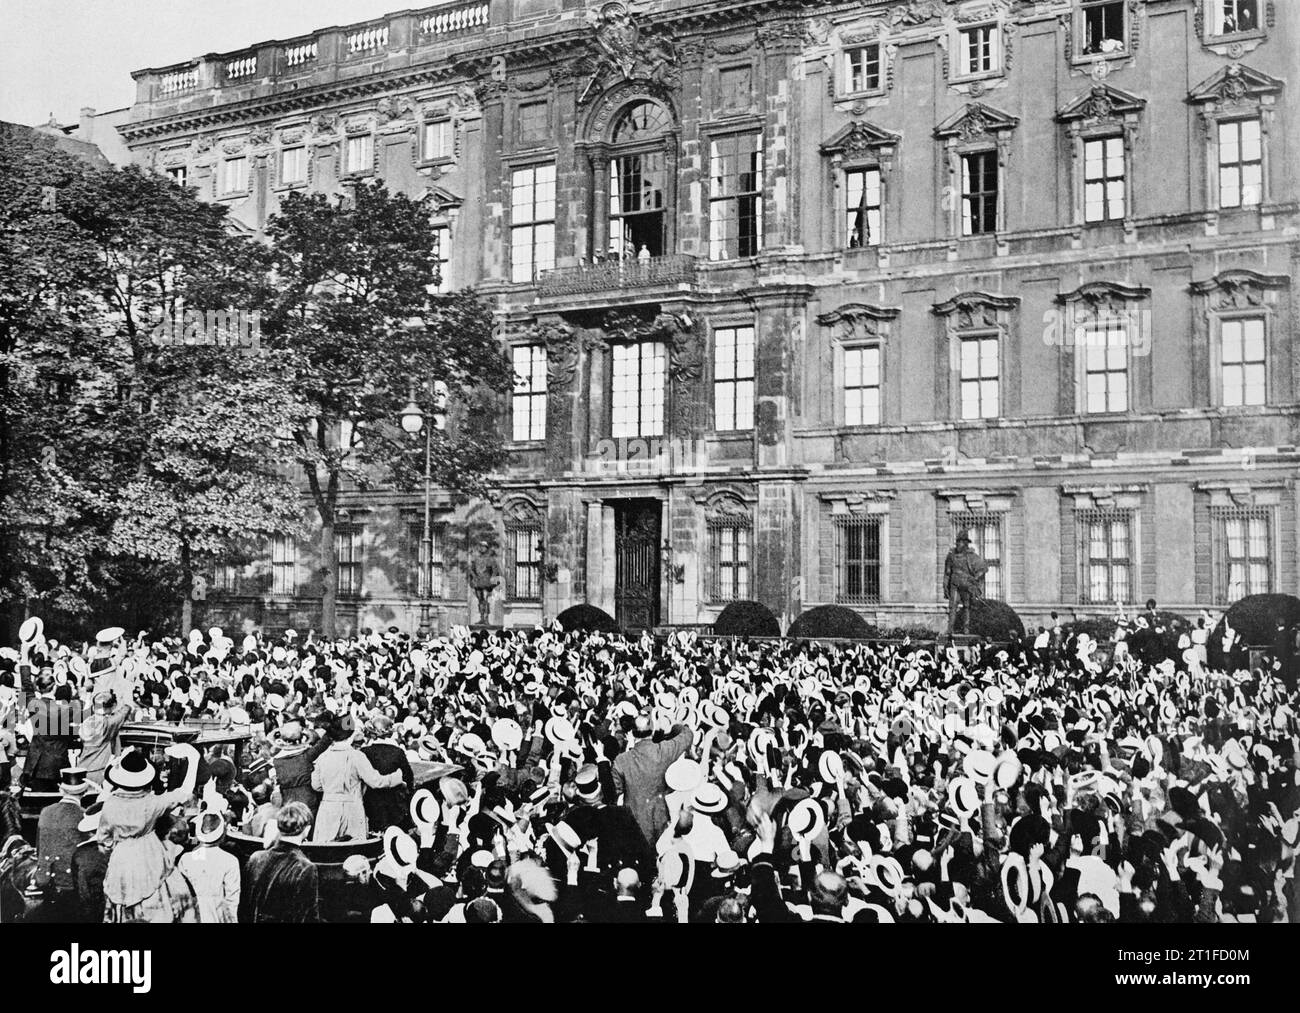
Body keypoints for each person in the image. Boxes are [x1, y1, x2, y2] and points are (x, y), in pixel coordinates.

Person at [96, 743, 200, 923]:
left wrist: (116, 846)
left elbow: (103, 840)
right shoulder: (152, 803)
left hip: (121, 859)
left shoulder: (110, 803)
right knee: (158, 897)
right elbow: (183, 793)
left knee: (120, 901)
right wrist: (193, 760)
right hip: (149, 855)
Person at [310, 717, 405, 842]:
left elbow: (316, 785)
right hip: (352, 809)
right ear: (350, 736)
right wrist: (396, 778)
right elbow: (376, 782)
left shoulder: (322, 757)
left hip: (327, 809)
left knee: (327, 850)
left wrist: (331, 790)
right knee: (353, 849)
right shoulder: (357, 756)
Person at [611, 715, 693, 848]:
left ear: (632, 732)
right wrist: (675, 726)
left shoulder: (621, 760)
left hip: (632, 820)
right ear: (653, 730)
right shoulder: (664, 750)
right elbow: (688, 735)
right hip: (659, 818)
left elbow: (614, 791)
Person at [241, 802, 320, 923]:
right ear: (307, 830)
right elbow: (307, 915)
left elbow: (244, 906)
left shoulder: (255, 858)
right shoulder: (305, 867)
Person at [36, 767, 90, 921]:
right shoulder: (84, 815)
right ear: (85, 792)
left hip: (45, 879)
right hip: (72, 884)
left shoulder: (45, 811)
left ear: (61, 790)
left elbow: (39, 846)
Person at [178, 811, 240, 923]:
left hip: (189, 916)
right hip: (216, 916)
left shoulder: (185, 859)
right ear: (222, 834)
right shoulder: (230, 861)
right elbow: (232, 900)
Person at [22, 673, 76, 793]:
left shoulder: (33, 704)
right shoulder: (66, 710)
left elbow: (26, 688)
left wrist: (25, 663)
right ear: (54, 688)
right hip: (58, 764)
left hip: (36, 765)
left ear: (38, 688)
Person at [361, 715, 414, 834]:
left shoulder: (364, 752)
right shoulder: (397, 752)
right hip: (394, 805)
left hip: (371, 803)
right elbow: (409, 777)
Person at [271, 721, 328, 817]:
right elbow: (324, 743)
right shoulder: (306, 756)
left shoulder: (276, 761)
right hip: (308, 802)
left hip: (288, 803)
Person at [78, 690, 133, 787]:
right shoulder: (108, 723)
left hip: (82, 769)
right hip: (100, 772)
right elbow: (126, 710)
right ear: (113, 706)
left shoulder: (87, 722)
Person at [943, 529, 988, 637]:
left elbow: (983, 568)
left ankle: (966, 629)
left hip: (966, 584)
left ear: (966, 543)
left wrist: (976, 578)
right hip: (954, 584)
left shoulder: (971, 556)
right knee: (952, 606)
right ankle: (950, 629)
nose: (958, 543)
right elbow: (947, 572)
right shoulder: (951, 555)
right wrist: (945, 585)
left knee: (967, 606)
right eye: (958, 541)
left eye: (961, 541)